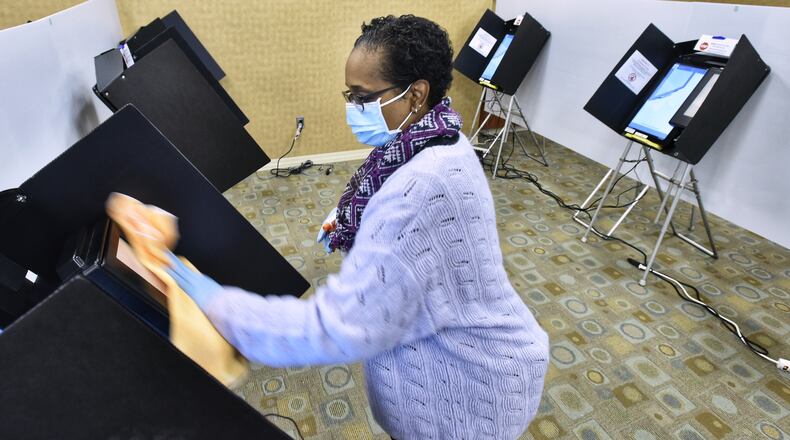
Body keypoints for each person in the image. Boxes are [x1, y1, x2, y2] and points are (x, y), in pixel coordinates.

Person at [166, 14, 548, 439]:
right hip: (474, 355)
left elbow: (336, 328)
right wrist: (351, 217)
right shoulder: (437, 137)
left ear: (416, 94)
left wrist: (219, 305)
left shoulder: (415, 195)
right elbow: (389, 191)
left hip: (469, 393)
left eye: (363, 96)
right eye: (350, 94)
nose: (352, 108)